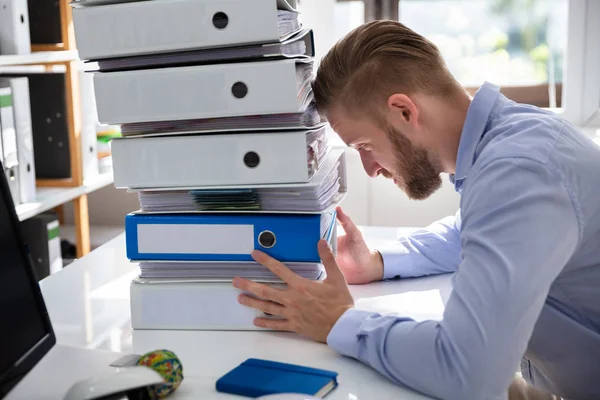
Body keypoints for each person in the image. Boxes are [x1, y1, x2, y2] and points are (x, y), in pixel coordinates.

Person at [231, 20, 600, 400]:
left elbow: (467, 372)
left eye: (364, 145)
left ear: (404, 111)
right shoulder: (513, 137)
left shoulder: (520, 171)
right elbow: (468, 233)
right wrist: (376, 262)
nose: (370, 169)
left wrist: (340, 322)